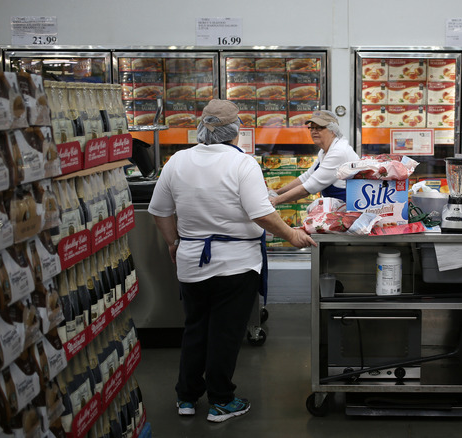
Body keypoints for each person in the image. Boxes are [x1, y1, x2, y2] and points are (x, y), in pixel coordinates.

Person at [148, 99, 316, 423]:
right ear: (236, 132)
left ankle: (186, 397)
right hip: (235, 265)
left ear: (201, 128)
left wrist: (173, 243)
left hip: (191, 261)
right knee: (224, 334)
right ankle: (221, 401)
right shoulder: (243, 164)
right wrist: (291, 235)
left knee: (195, 328)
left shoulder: (177, 161)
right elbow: (262, 214)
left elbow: (159, 211)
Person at [270, 110, 359, 205]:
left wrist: (276, 200)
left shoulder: (339, 152)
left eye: (319, 128)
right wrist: (277, 192)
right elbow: (306, 177)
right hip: (338, 207)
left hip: (350, 209)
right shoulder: (324, 151)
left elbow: (308, 187)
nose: (314, 131)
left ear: (333, 131)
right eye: (311, 128)